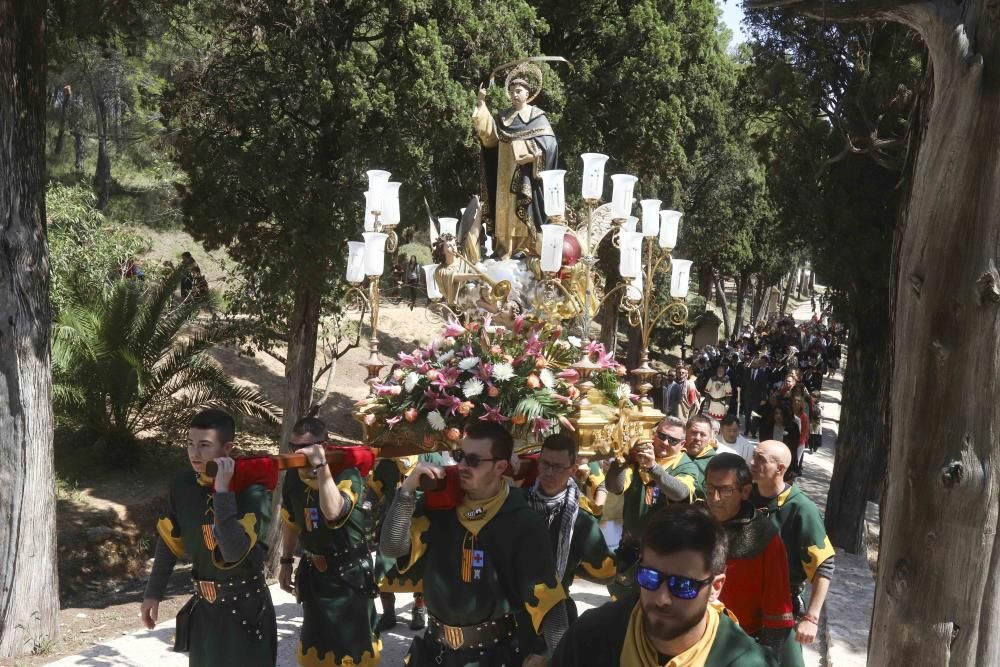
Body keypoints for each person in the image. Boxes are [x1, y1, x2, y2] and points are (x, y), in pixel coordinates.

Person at [379, 421, 567, 666]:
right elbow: (392, 547)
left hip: (495, 655)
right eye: (460, 456)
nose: (463, 466)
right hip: (435, 652)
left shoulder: (523, 521)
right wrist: (407, 490)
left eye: (474, 460)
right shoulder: (441, 507)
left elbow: (550, 602)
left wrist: (561, 658)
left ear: (500, 466)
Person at [552, 505, 778, 666]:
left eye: (683, 585)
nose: (662, 598)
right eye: (650, 577)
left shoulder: (747, 661)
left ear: (716, 587)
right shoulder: (591, 637)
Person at [139, 409, 277, 667]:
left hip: (246, 612)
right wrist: (153, 592)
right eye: (190, 444)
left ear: (227, 448)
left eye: (204, 445)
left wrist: (223, 490)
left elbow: (232, 551)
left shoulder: (252, 490)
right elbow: (170, 542)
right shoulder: (182, 486)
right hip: (205, 611)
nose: (194, 453)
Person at [277, 416, 380, 666]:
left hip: (349, 576)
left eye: (309, 447)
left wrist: (322, 467)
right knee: (317, 648)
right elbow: (291, 522)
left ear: (325, 444)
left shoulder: (347, 473)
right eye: (295, 447)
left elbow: (333, 511)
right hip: (315, 574)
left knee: (353, 654)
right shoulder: (293, 477)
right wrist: (286, 560)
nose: (301, 454)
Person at [750, 441, 835, 667]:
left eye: (760, 459)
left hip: (781, 608)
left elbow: (823, 566)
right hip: (741, 601)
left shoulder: (801, 508)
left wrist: (811, 618)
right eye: (753, 456)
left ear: (780, 468)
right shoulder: (744, 497)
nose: (752, 463)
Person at [705, 454, 793, 655]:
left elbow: (777, 612)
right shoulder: (694, 523)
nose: (715, 498)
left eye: (725, 491)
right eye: (710, 488)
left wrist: (763, 658)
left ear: (745, 491)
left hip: (738, 646)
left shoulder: (765, 539)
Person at [523, 433, 616, 621]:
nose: (549, 472)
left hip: (553, 615)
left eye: (557, 467)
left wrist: (573, 566)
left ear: (573, 470)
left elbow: (606, 573)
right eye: (545, 464)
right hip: (513, 612)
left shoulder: (581, 521)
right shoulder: (517, 504)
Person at [605, 417, 698, 599]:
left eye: (672, 440)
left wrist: (653, 468)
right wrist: (622, 458)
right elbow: (613, 486)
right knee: (621, 605)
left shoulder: (686, 465)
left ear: (683, 444)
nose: (664, 443)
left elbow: (680, 493)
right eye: (661, 436)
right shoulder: (637, 458)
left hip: (666, 555)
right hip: (631, 550)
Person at [473, 72, 559, 259]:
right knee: (504, 208)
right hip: (504, 173)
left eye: (518, 91)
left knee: (524, 207)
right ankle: (504, 248)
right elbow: (490, 140)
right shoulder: (503, 118)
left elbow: (550, 145)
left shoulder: (537, 117)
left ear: (528, 93)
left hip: (526, 174)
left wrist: (533, 156)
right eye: (511, 91)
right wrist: (481, 104)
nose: (514, 95)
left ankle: (526, 248)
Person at [684, 415, 717, 491]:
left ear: (709, 438)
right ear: (685, 433)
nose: (697, 438)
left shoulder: (716, 463)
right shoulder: (674, 455)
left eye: (702, 434)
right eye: (694, 433)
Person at [740, 356, 771, 438]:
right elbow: (743, 384)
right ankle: (747, 430)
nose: (754, 365)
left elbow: (764, 387)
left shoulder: (762, 374)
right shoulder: (747, 371)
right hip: (747, 397)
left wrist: (764, 398)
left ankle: (753, 432)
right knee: (747, 414)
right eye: (753, 363)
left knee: (755, 415)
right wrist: (741, 396)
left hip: (757, 398)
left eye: (756, 364)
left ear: (759, 365)